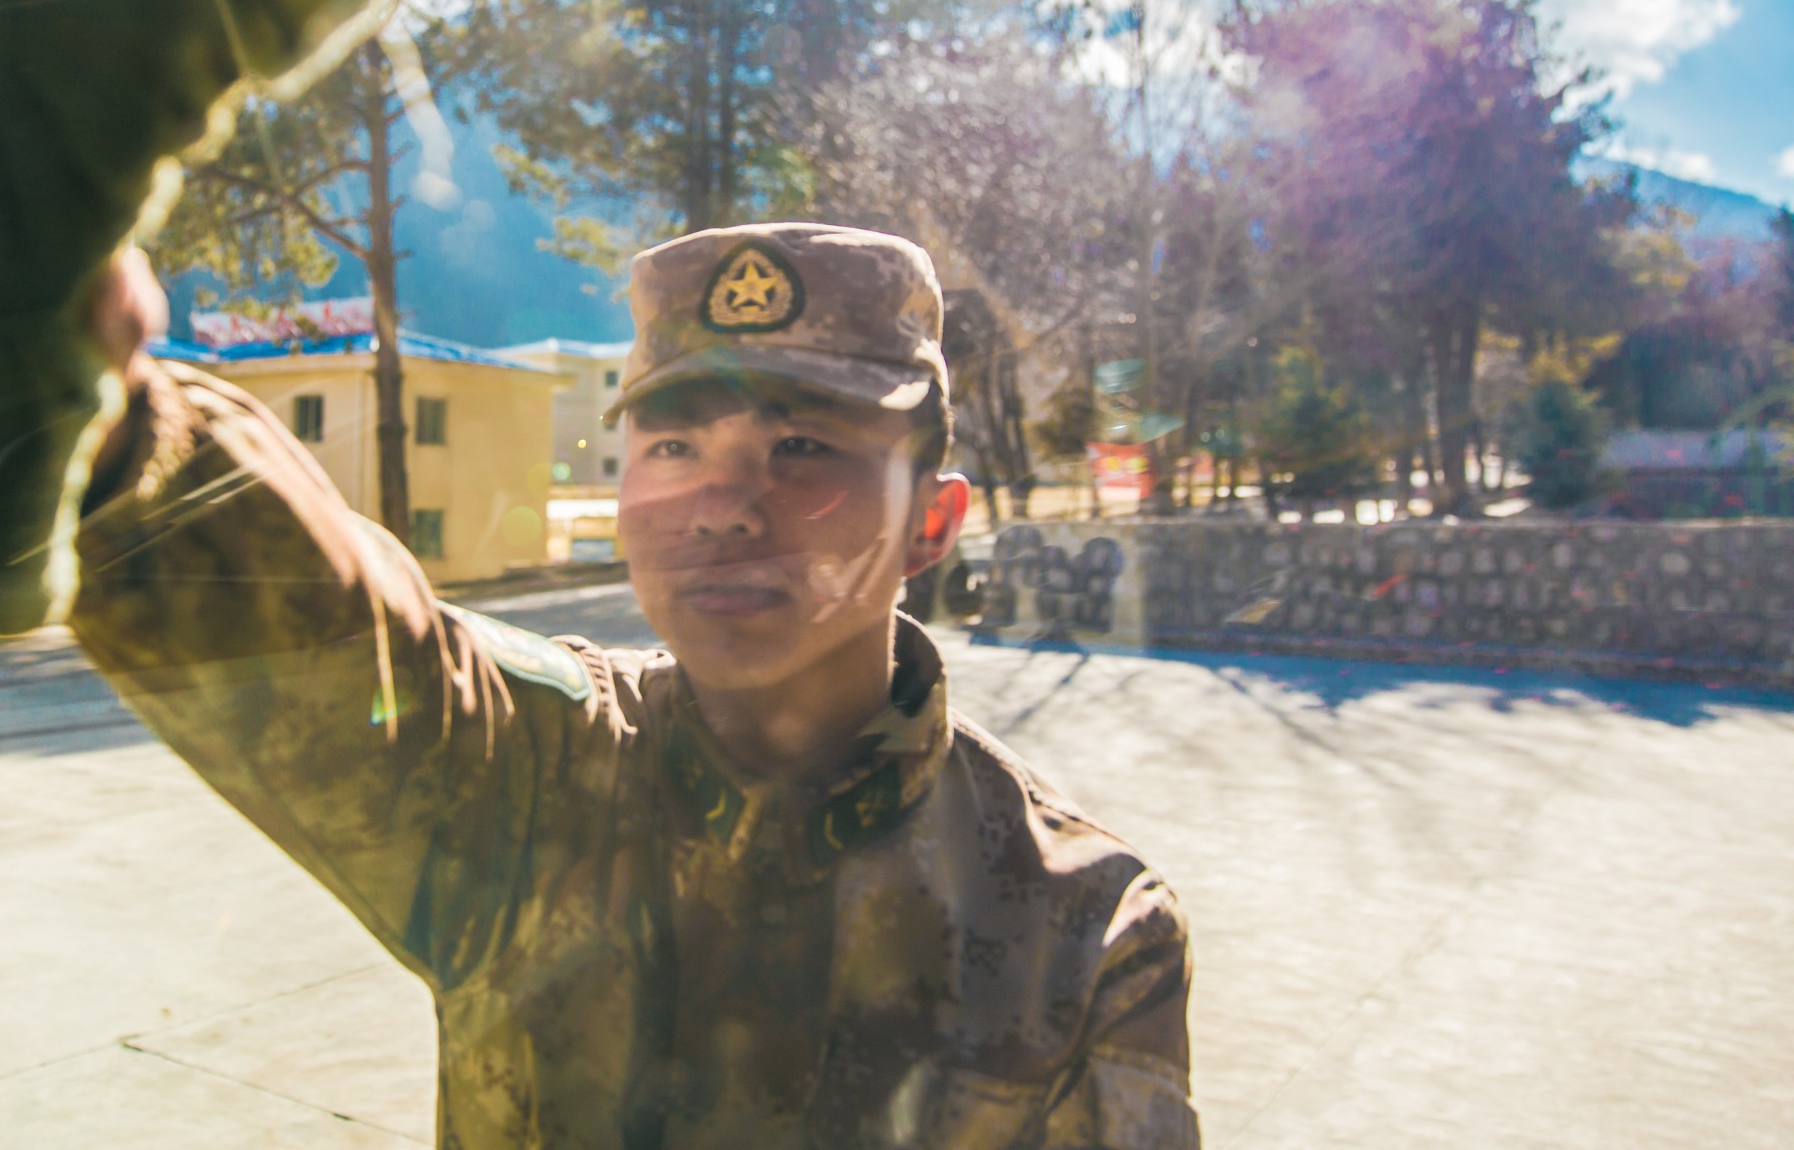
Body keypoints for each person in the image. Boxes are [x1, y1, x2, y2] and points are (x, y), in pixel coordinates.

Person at [71, 221, 1197, 1150]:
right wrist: (103, 420)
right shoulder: (529, 769)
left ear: (932, 524)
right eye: (669, 445)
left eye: (801, 444)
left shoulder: (1081, 927)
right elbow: (327, 630)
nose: (720, 501)